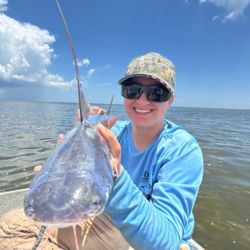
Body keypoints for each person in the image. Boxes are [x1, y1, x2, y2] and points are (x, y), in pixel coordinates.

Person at [0, 52, 203, 250]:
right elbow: (83, 146)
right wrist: (76, 139)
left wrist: (115, 176)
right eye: (132, 90)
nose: (142, 100)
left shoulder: (182, 150)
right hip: (108, 219)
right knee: (9, 226)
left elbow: (166, 242)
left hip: (149, 238)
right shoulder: (112, 131)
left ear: (171, 99)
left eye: (157, 92)